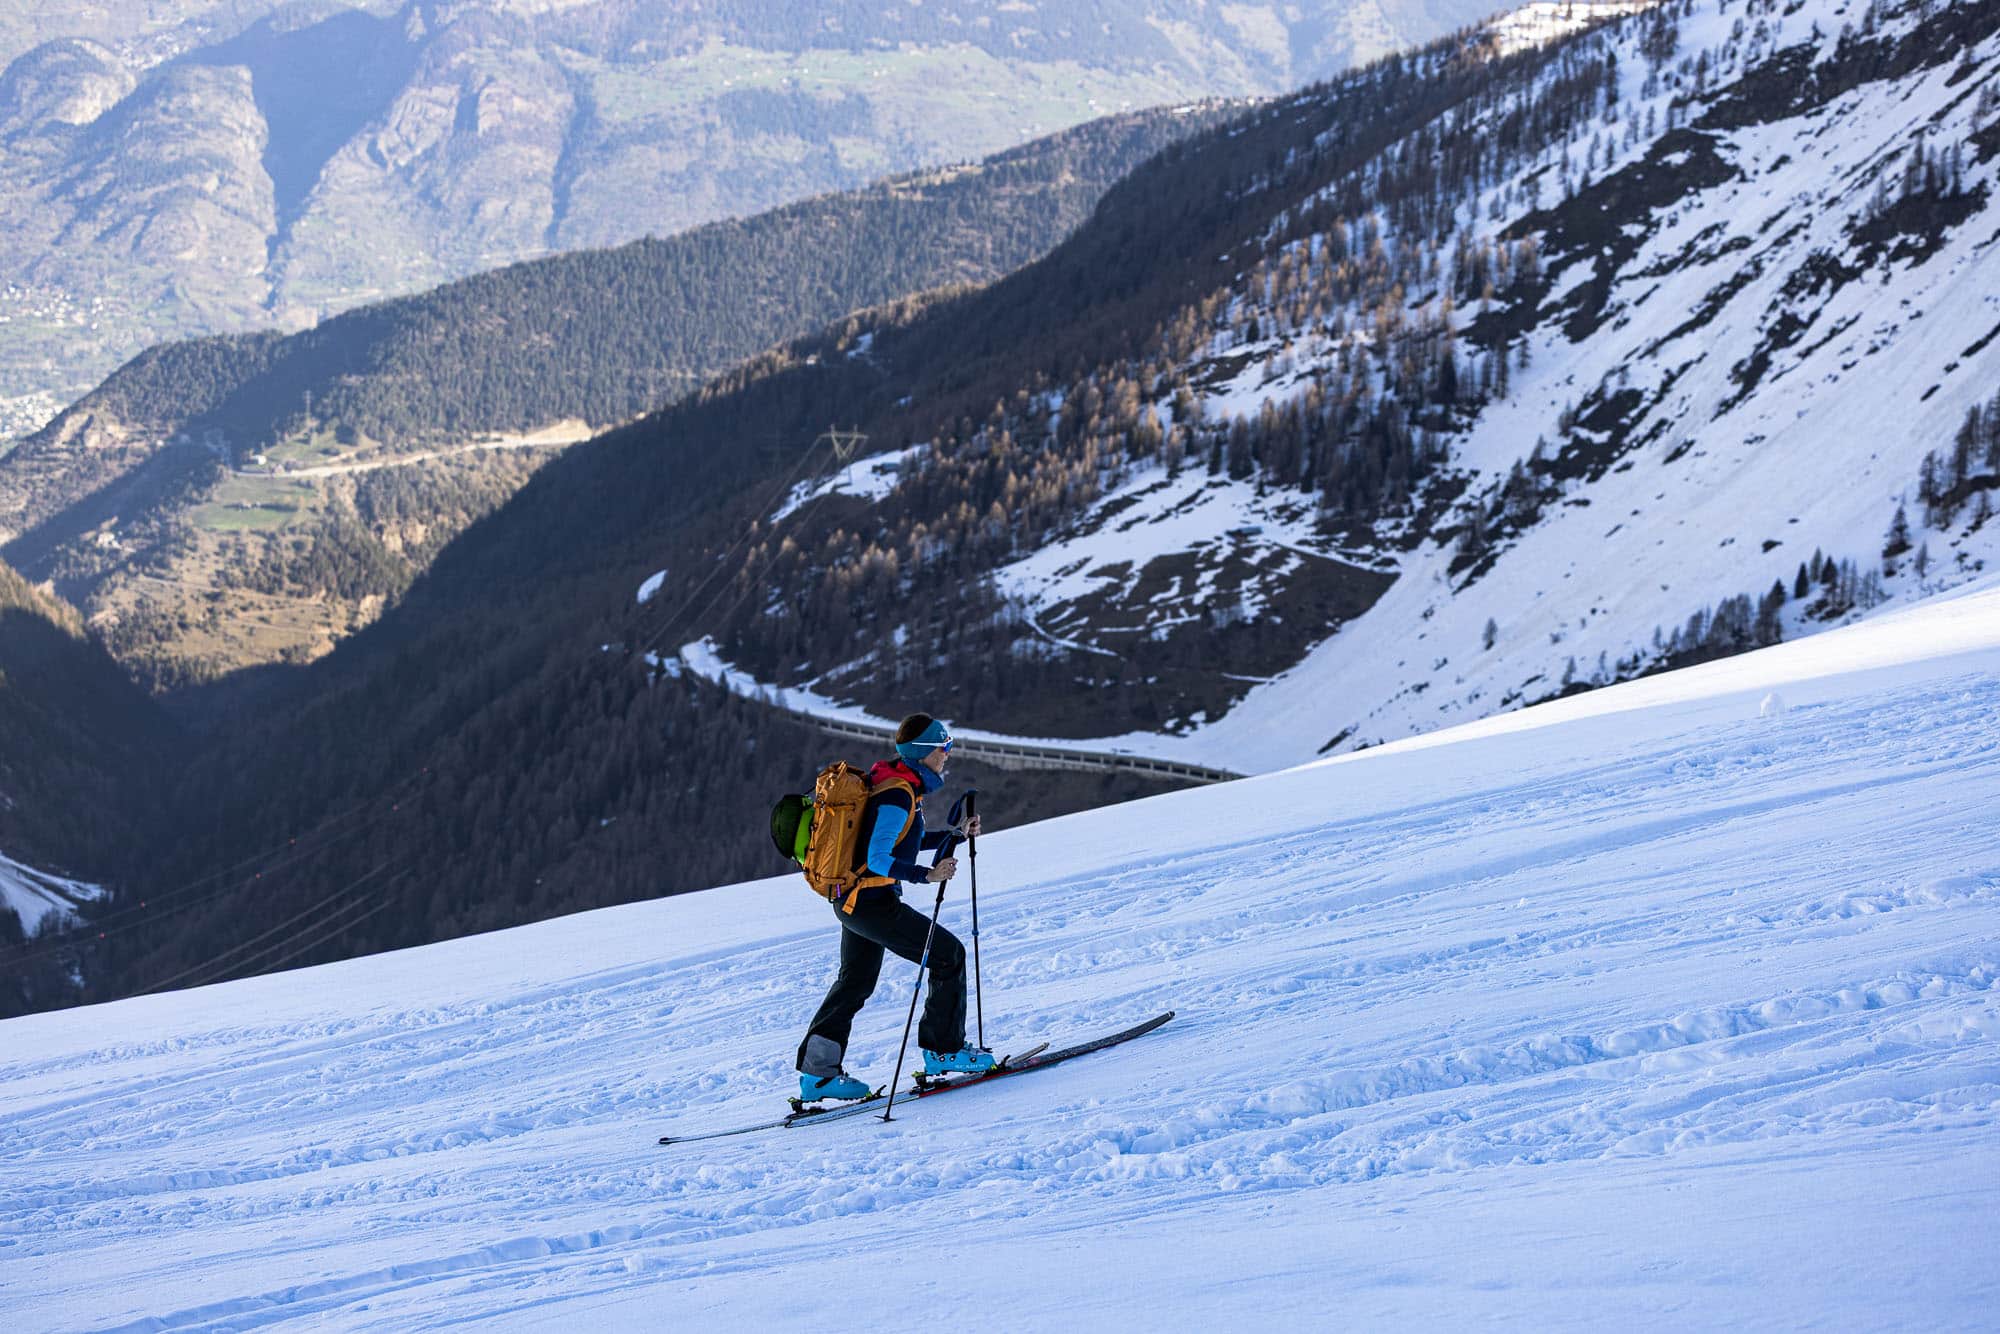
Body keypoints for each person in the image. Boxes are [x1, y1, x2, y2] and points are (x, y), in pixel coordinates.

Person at [795, 713, 993, 1101]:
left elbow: (900, 841)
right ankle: (943, 1050)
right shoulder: (897, 794)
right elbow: (879, 857)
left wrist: (952, 834)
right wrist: (927, 876)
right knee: (948, 955)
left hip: (852, 899)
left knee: (854, 982)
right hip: (870, 902)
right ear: (924, 752)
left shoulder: (895, 784)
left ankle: (817, 1075)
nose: (947, 754)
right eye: (943, 747)